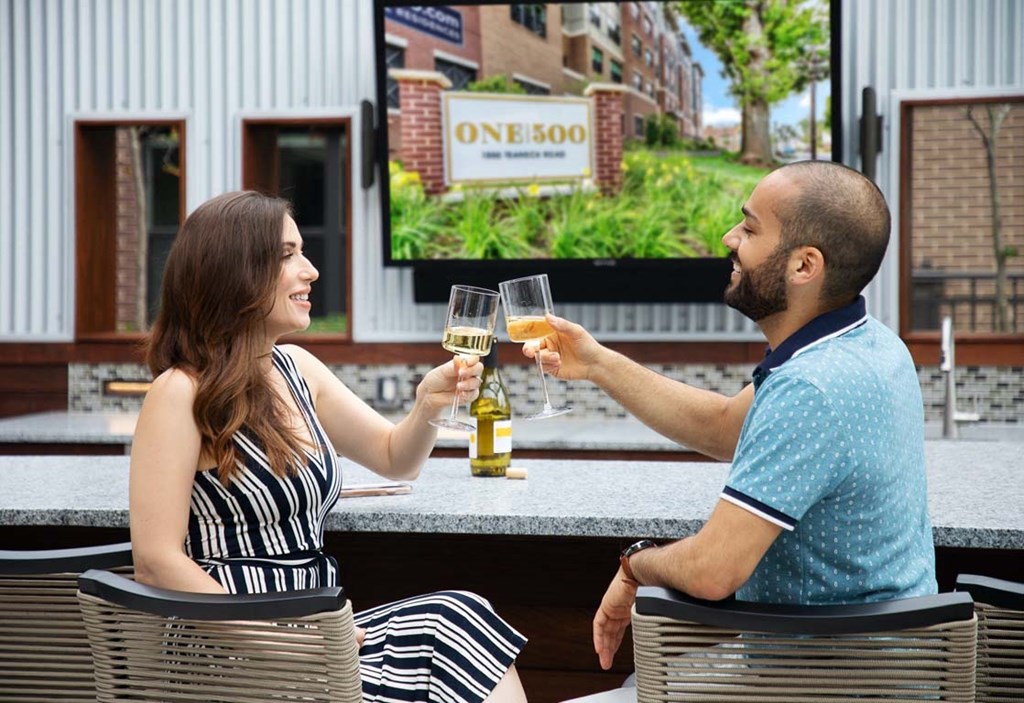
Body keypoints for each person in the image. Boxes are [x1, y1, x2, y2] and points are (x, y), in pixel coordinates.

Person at [524, 160, 937, 671]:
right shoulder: (869, 344)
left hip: (828, 679)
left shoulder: (809, 388)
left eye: (750, 228)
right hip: (893, 667)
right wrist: (595, 363)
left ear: (804, 266)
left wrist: (635, 564)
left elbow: (712, 570)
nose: (729, 238)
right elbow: (724, 427)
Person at [130, 191, 528, 703]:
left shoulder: (296, 369)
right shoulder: (179, 392)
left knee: (460, 617)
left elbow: (395, 459)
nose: (312, 270)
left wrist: (428, 405)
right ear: (234, 273)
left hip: (317, 629)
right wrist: (290, 641)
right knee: (452, 631)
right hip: (232, 652)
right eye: (288, 255)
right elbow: (156, 560)